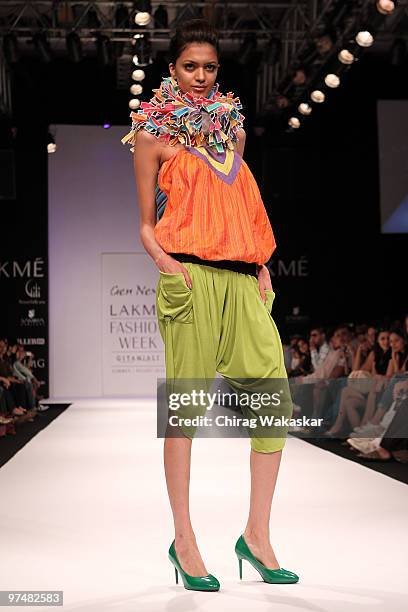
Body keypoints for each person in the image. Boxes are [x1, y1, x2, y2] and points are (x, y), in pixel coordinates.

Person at [122, 19, 298, 591]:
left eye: (209, 68)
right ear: (171, 70)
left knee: (274, 398)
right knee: (186, 411)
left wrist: (261, 264)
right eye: (189, 66)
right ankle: (184, 539)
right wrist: (172, 269)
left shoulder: (232, 131)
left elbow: (243, 204)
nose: (200, 77)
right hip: (192, 277)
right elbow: (148, 226)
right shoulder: (153, 133)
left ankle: (258, 535)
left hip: (244, 279)